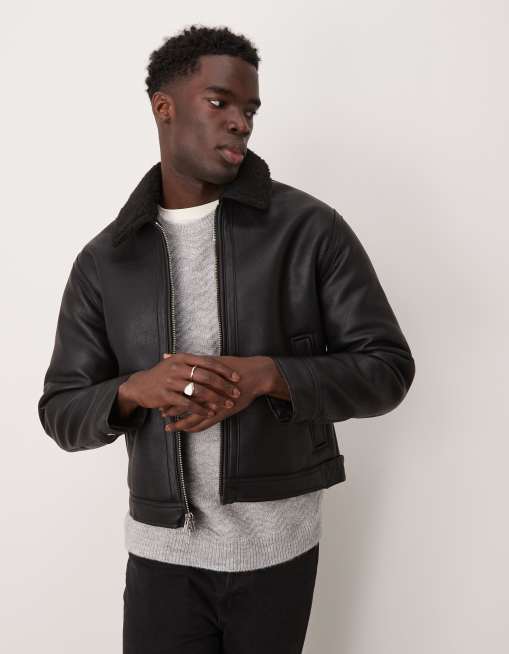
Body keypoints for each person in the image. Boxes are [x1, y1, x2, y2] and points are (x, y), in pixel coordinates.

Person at [38, 24, 415, 654]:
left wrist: (267, 376)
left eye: (250, 110)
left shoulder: (310, 230)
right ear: (163, 107)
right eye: (220, 102)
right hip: (161, 555)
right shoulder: (106, 261)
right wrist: (135, 389)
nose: (240, 122)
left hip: (278, 551)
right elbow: (61, 410)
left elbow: (387, 370)